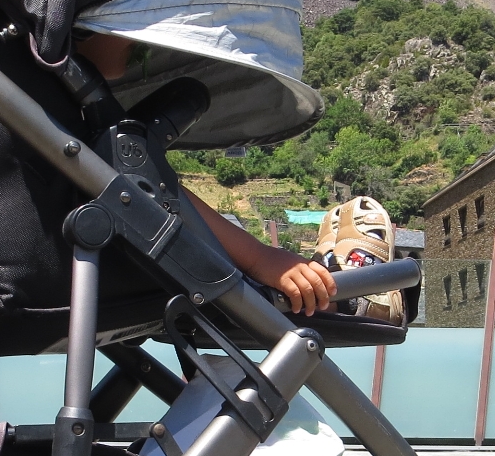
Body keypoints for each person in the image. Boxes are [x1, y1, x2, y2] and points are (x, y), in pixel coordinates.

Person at [72, 30, 338, 314]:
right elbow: (143, 189)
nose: (142, 41)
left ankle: (337, 279)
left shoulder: (58, 118)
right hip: (122, 285)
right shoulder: (61, 125)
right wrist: (259, 257)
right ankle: (347, 280)